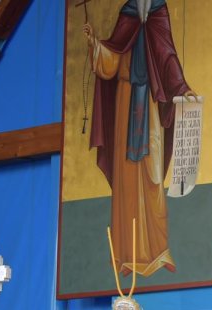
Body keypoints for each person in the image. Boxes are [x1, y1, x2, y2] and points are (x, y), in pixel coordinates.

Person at [84, 0, 196, 276]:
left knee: (153, 175)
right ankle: (125, 256)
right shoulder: (128, 12)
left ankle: (158, 250)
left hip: (150, 103)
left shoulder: (159, 11)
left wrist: (183, 88)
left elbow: (167, 55)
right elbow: (111, 58)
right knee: (126, 181)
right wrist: (95, 45)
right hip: (125, 103)